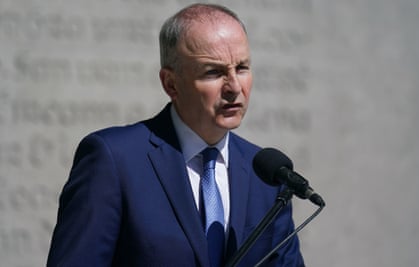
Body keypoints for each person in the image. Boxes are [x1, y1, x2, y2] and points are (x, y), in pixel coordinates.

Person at [47, 3, 305, 267]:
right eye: (213, 72)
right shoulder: (114, 160)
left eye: (241, 68)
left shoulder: (267, 175)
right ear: (171, 83)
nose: (234, 87)